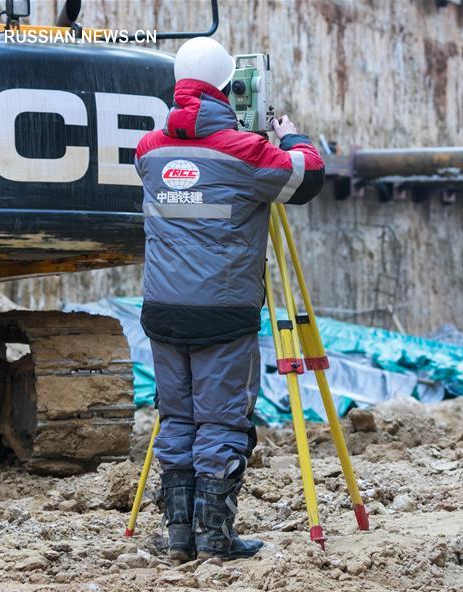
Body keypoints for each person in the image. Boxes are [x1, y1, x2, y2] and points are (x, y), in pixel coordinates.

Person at [134, 36, 325, 561]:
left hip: (162, 310)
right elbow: (306, 176)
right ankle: (215, 537)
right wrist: (292, 137)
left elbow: (189, 176)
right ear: (226, 88)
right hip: (223, 314)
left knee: (175, 418)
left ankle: (178, 535)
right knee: (220, 422)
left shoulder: (149, 151)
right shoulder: (246, 153)